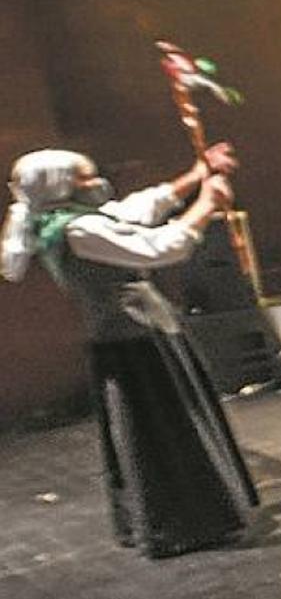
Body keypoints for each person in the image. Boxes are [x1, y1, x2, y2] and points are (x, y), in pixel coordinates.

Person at [3, 146, 259, 558]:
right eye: (85, 177)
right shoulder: (78, 230)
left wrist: (197, 174)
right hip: (133, 339)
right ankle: (184, 522)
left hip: (132, 336)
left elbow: (138, 208)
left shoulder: (65, 221)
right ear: (63, 187)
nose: (95, 182)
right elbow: (159, 248)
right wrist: (207, 204)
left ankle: (184, 518)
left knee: (159, 429)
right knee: (164, 431)